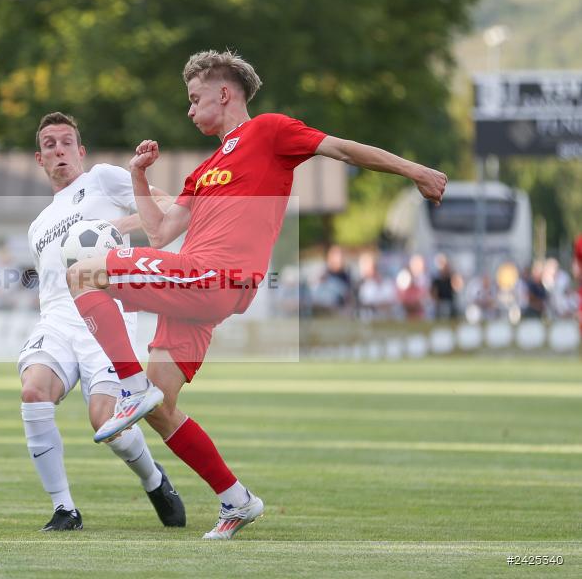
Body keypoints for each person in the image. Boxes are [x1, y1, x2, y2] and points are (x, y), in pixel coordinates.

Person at [65, 49, 447, 539]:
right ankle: (236, 499)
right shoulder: (205, 170)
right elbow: (159, 233)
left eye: (195, 98)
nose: (189, 109)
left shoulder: (269, 130)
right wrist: (139, 176)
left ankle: (130, 385)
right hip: (196, 287)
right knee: (160, 408)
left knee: (82, 274)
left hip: (213, 275)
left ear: (224, 94)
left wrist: (416, 171)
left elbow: (344, 150)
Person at [19, 112, 185, 532]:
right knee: (33, 391)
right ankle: (64, 509)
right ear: (40, 159)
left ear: (81, 151)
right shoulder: (37, 226)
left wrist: (115, 228)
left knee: (105, 420)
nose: (59, 150)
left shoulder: (102, 179)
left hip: (106, 315)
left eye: (66, 142)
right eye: (50, 145)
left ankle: (154, 479)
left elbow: (169, 206)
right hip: (57, 319)